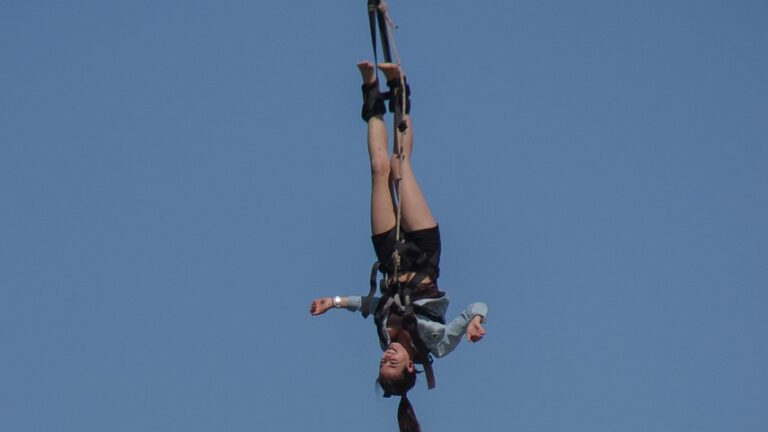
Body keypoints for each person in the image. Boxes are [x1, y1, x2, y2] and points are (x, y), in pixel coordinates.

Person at [309, 61, 488, 432]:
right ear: (409, 367)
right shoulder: (435, 344)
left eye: (381, 363)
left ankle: (371, 92)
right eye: (391, 363)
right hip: (423, 251)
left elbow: (373, 305)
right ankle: (401, 94)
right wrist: (474, 322)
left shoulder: (385, 333)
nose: (386, 356)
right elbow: (477, 305)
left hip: (388, 256)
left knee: (377, 168)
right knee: (399, 166)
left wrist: (335, 302)